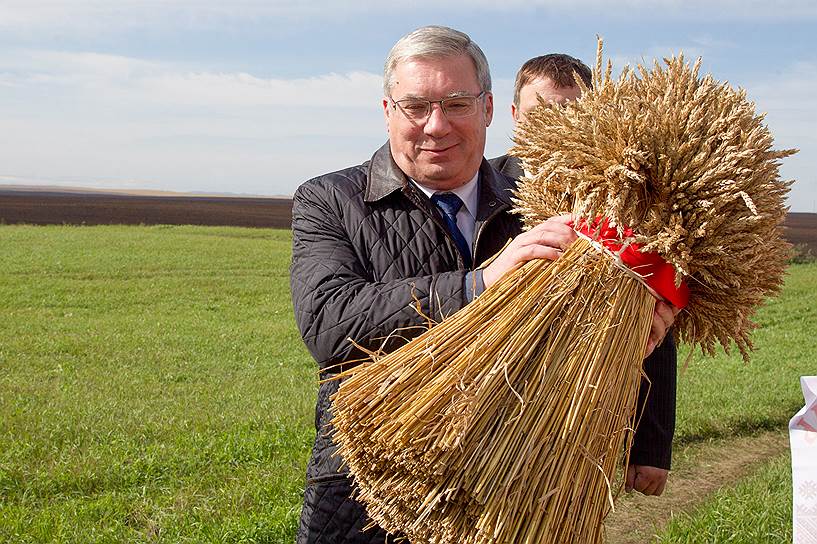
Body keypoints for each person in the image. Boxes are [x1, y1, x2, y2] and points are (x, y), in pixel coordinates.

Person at [291, 27, 677, 543]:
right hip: (369, 493)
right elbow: (330, 322)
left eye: (456, 103)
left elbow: (634, 285)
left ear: (489, 109)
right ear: (387, 110)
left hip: (521, 493)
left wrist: (637, 325)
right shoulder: (330, 200)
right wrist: (484, 283)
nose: (436, 125)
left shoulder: (557, 202)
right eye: (415, 106)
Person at [490, 53, 678, 497]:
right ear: (515, 115)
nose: (556, 129)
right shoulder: (483, 186)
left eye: (572, 116)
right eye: (542, 115)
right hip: (487, 398)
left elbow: (653, 322)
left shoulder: (619, 202)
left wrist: (650, 443)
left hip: (578, 413)